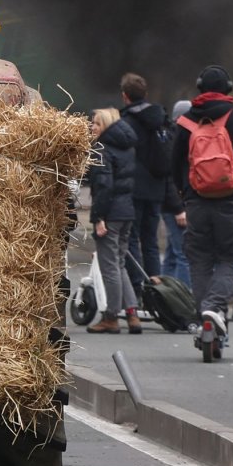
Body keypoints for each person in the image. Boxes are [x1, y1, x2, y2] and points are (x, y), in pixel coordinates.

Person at [172, 65, 233, 351]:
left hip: (196, 200)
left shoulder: (186, 121)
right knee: (229, 256)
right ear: (229, 88)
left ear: (199, 87)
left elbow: (174, 162)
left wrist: (183, 191)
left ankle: (204, 316)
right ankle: (213, 308)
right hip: (230, 200)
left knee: (199, 258)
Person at [85, 107, 143, 334]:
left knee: (109, 266)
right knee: (119, 264)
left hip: (110, 214)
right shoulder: (127, 147)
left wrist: (99, 217)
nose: (92, 127)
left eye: (96, 124)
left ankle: (111, 316)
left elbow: (103, 186)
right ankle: (132, 314)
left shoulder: (102, 149)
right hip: (127, 211)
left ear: (106, 126)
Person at [118, 73, 174, 279]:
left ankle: (137, 288)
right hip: (156, 189)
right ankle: (155, 290)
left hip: (133, 190)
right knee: (150, 241)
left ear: (125, 96)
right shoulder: (161, 120)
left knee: (131, 240)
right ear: (146, 94)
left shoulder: (126, 122)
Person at [161, 100, 193, 282]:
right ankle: (184, 298)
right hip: (174, 206)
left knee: (173, 253)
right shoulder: (175, 140)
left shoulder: (173, 137)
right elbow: (170, 177)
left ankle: (164, 295)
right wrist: (179, 209)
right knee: (183, 254)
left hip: (172, 204)